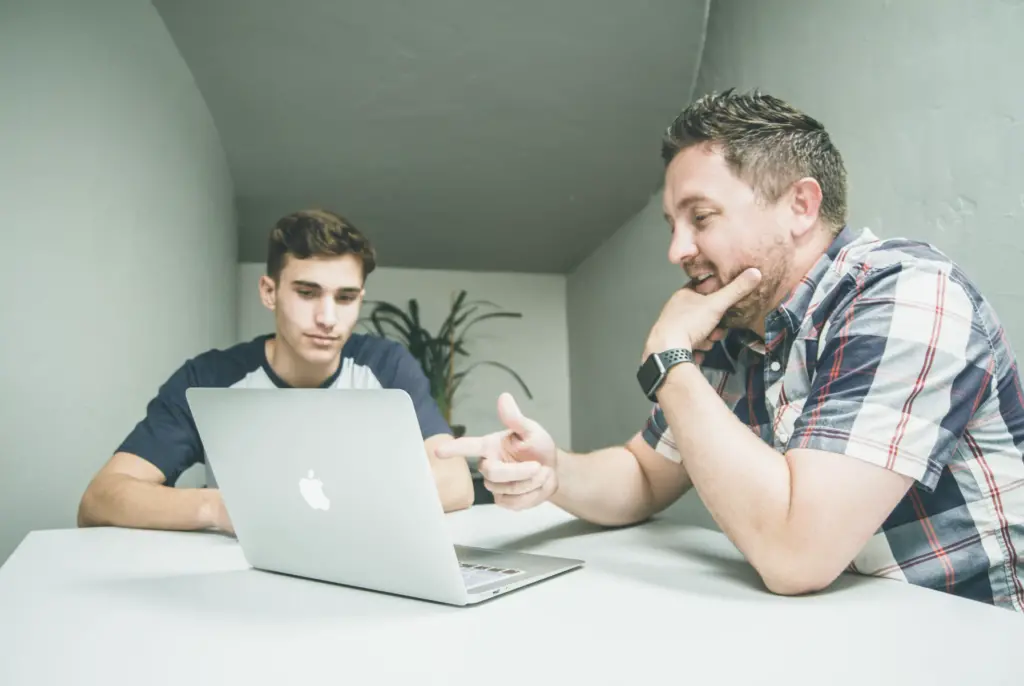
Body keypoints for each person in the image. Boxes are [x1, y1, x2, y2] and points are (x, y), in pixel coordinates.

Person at [438, 89, 1024, 611]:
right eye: (673, 223)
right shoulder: (742, 327)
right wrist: (555, 471)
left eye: (701, 218)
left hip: (971, 638)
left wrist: (670, 358)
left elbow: (797, 555)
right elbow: (644, 474)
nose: (677, 249)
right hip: (840, 629)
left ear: (800, 205)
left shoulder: (906, 295)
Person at [79, 209, 474, 534]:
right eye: (307, 293)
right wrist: (222, 509)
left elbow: (456, 483)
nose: (327, 318)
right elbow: (100, 499)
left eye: (346, 297)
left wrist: (319, 505)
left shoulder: (386, 366)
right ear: (269, 292)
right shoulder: (210, 378)